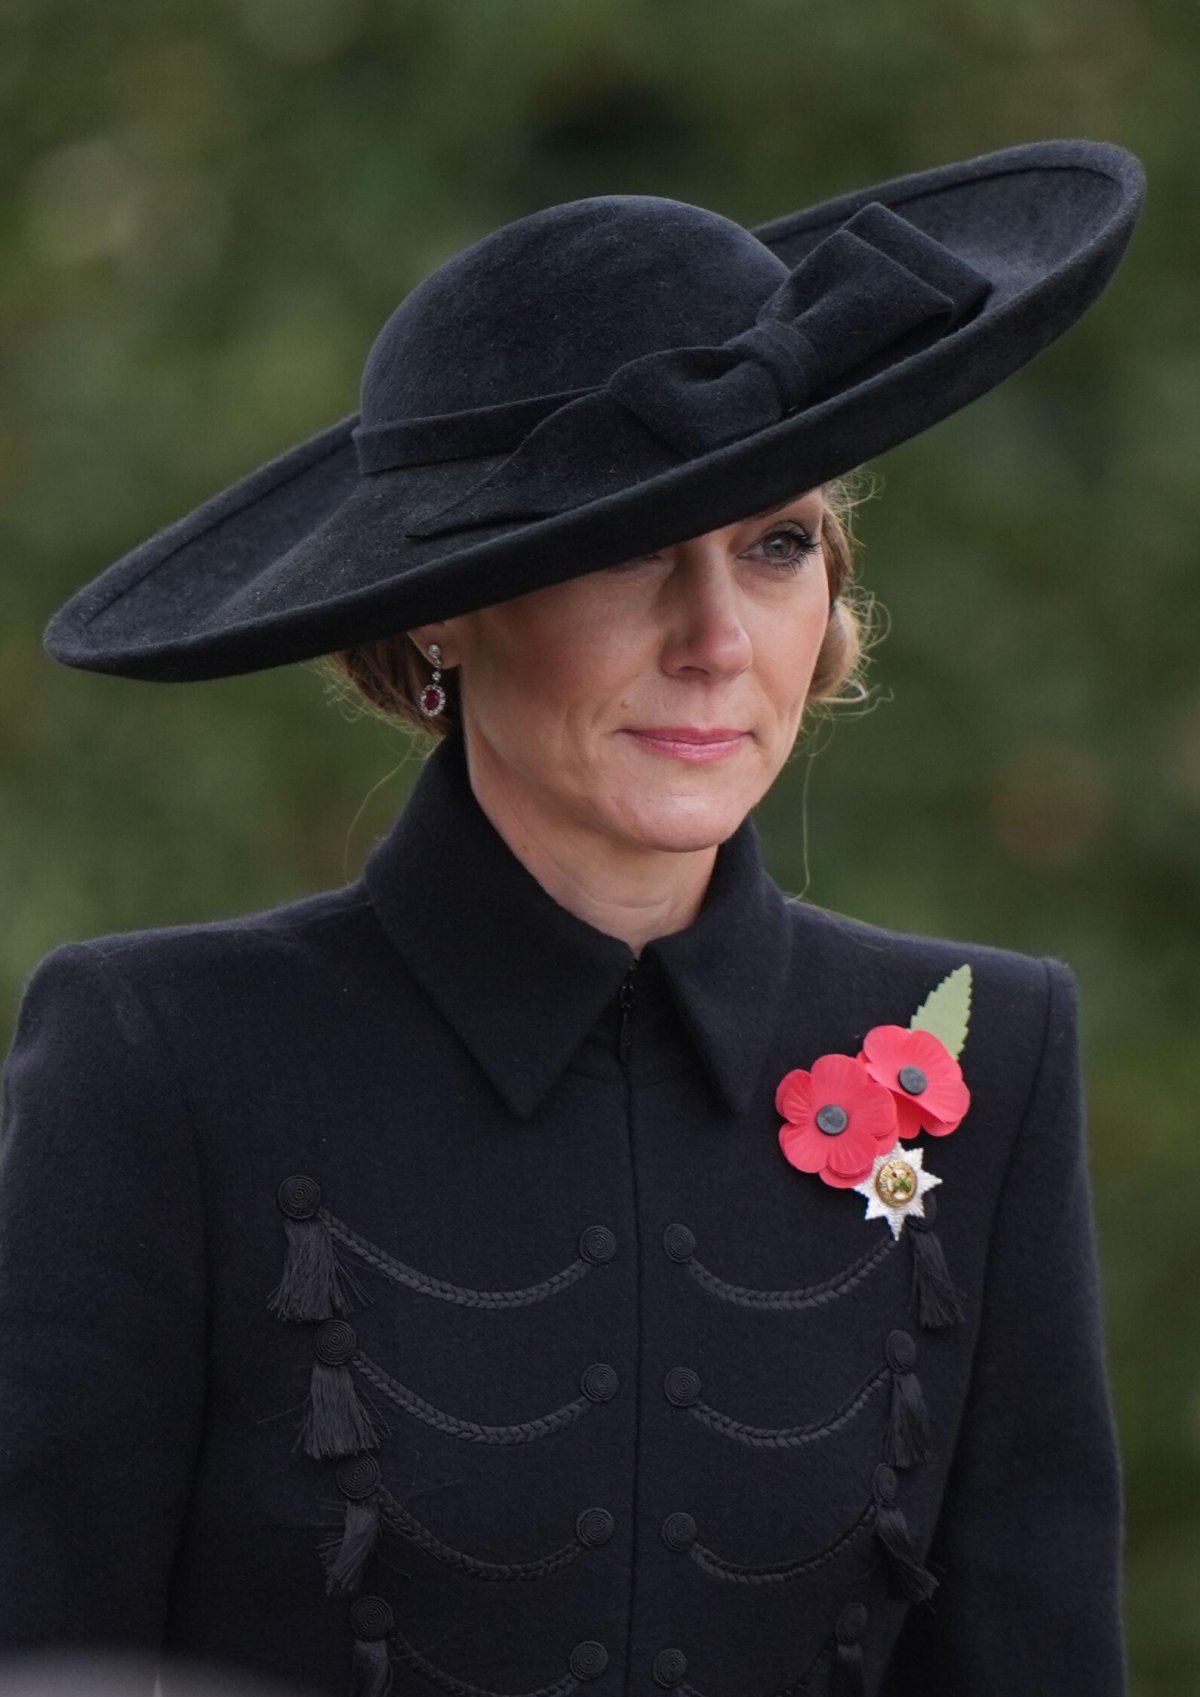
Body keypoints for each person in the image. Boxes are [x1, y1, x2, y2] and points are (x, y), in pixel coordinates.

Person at [2, 139, 1144, 1697]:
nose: (715, 639)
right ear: (441, 608)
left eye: (776, 542)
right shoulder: (164, 1059)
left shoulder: (992, 1055)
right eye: (625, 550)